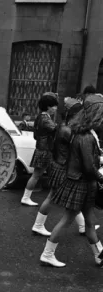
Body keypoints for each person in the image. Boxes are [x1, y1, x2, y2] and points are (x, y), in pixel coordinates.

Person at [40, 94, 103, 268]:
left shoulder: (85, 132)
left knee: (89, 222)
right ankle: (47, 254)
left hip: (82, 183)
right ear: (96, 114)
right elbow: (88, 167)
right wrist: (101, 177)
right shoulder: (86, 136)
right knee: (68, 219)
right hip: (80, 184)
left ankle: (99, 255)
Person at [32, 97, 100, 236]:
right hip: (62, 167)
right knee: (56, 198)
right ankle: (38, 225)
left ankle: (82, 226)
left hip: (59, 165)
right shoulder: (68, 130)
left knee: (72, 202)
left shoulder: (63, 126)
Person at [21, 92, 58, 206]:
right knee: (39, 175)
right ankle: (26, 197)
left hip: (42, 149)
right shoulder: (45, 119)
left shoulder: (40, 117)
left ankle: (27, 197)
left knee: (40, 175)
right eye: (54, 106)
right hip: (45, 150)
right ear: (48, 107)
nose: (56, 108)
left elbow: (35, 135)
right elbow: (57, 130)